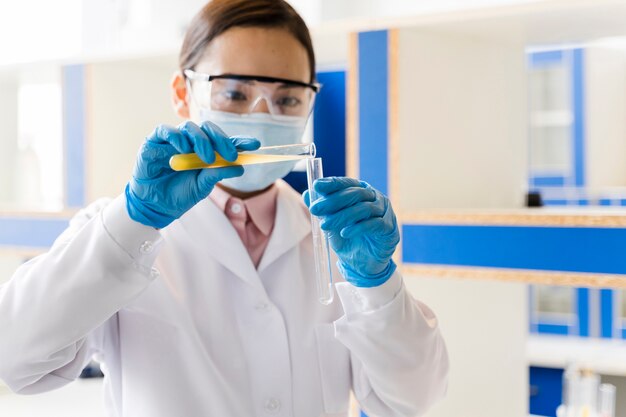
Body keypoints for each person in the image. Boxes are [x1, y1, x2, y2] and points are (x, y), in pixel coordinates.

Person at [0, 1, 449, 416]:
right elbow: (14, 359)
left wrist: (378, 284)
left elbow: (413, 401)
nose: (262, 114)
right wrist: (136, 218)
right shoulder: (118, 235)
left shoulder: (341, 239)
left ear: (310, 102)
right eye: (234, 93)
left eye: (287, 98)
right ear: (182, 92)